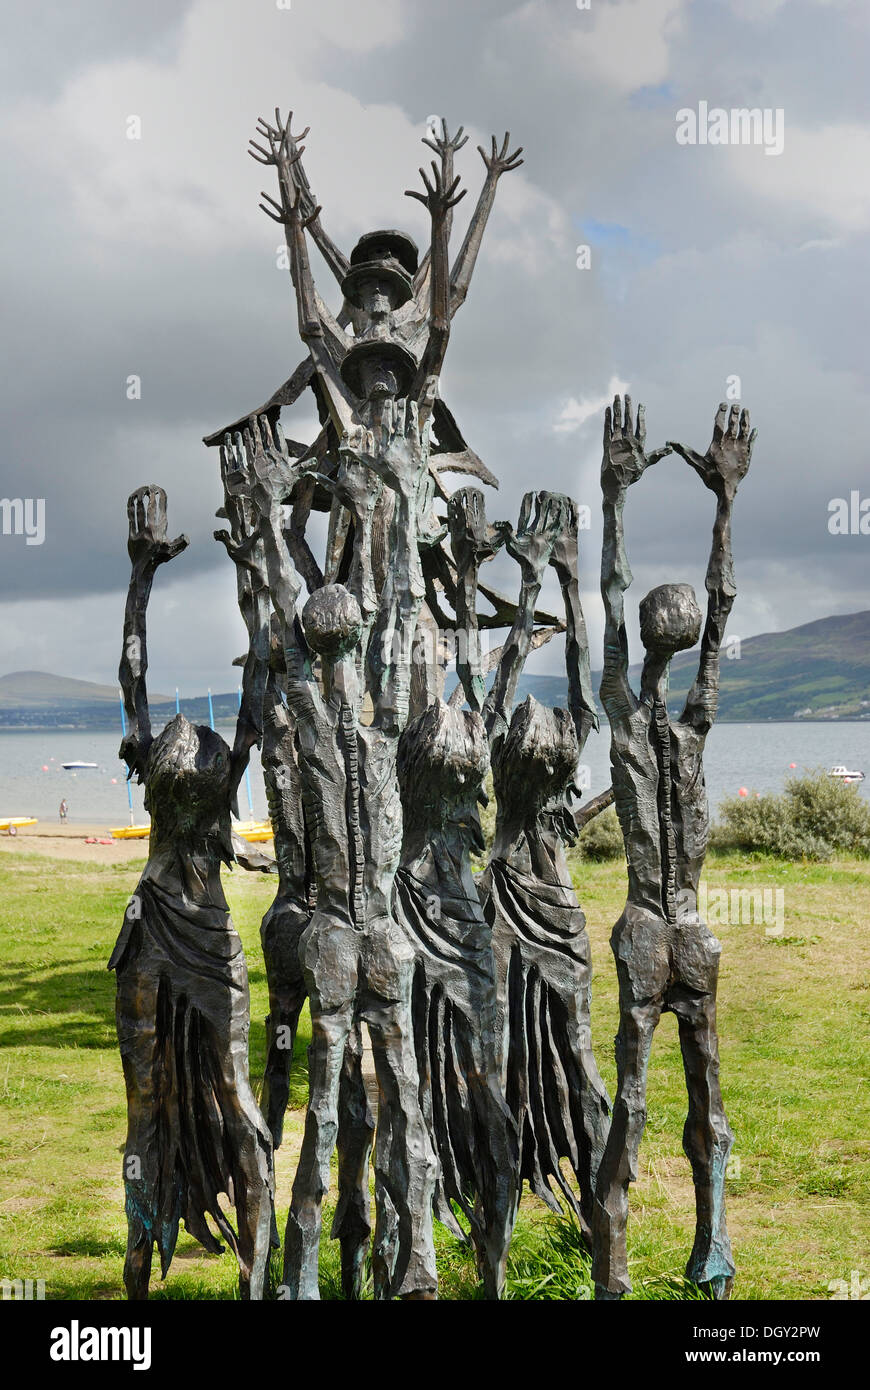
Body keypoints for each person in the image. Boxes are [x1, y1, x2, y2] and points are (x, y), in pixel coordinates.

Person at [591, 397, 755, 1301]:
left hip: (665, 927)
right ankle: (697, 1262)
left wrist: (624, 499)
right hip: (678, 925)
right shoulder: (685, 728)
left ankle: (681, 1260)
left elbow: (628, 610)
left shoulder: (648, 727)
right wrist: (720, 504)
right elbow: (712, 614)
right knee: (685, 1098)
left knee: (655, 1098)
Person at [109, 484, 274, 1301]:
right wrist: (252, 568)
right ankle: (155, 1274)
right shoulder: (215, 765)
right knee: (163, 1112)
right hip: (174, 938)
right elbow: (257, 691)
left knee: (217, 1109)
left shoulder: (166, 757)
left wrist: (144, 577)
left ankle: (214, 1279)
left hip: (182, 936)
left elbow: (134, 673)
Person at [478, 491, 612, 1244]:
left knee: (561, 1050)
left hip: (531, 903)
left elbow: (505, 694)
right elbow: (581, 682)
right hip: (532, 902)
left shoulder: (511, 741)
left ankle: (585, 1204)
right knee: (521, 1052)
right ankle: (548, 1206)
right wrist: (559, 580)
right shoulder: (557, 738)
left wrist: (542, 582)